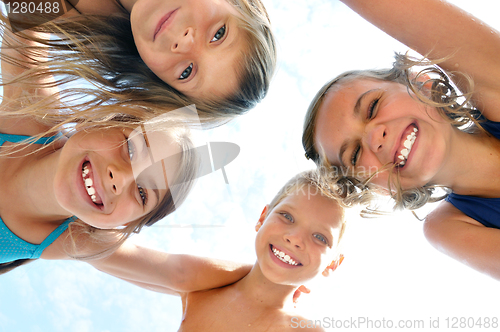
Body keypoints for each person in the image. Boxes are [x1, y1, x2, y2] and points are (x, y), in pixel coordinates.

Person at [302, 0, 500, 280]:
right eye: (355, 155)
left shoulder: (496, 85)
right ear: (381, 189)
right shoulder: (449, 227)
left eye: (372, 107)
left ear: (419, 82)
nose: (373, 137)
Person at [92, 170, 346, 331]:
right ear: (262, 217)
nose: (295, 238)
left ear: (333, 264)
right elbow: (102, 252)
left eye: (320, 237)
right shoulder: (199, 284)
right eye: (287, 217)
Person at [1, 0, 277, 127]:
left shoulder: (82, 20)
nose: (184, 43)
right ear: (238, 4)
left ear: (154, 77)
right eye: (218, 34)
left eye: (187, 71)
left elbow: (23, 9)